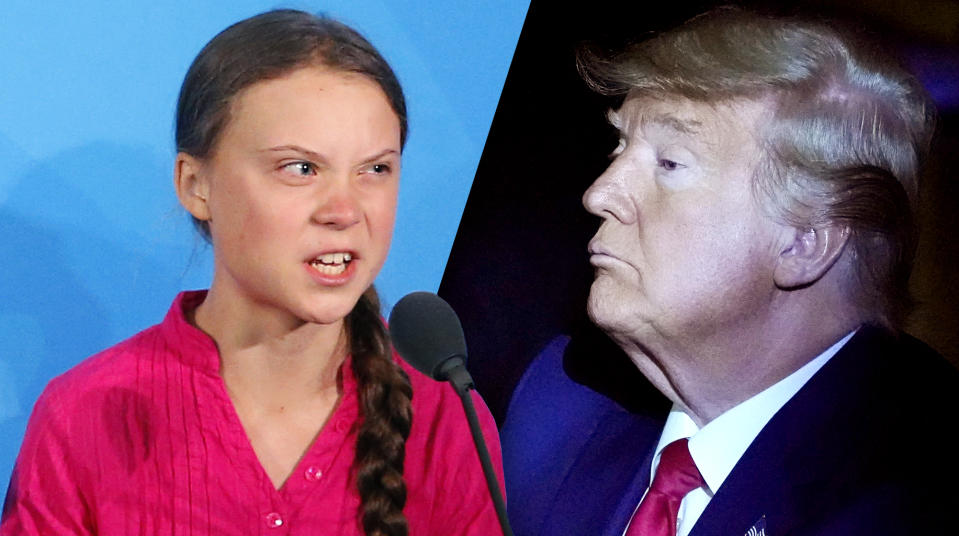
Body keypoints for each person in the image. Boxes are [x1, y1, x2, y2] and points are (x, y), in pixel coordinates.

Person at [1, 9, 503, 536]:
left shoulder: (445, 414)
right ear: (196, 185)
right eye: (301, 168)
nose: (345, 210)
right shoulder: (83, 416)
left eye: (375, 169)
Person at [505, 6, 959, 536]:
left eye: (669, 163)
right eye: (619, 147)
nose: (600, 194)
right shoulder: (563, 398)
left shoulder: (921, 489)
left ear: (804, 243)